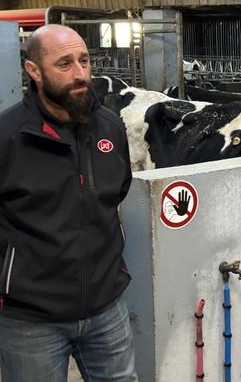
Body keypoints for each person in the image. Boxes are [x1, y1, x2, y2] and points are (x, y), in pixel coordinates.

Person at [0, 25, 138, 381]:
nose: (80, 74)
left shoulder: (110, 128)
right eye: (64, 64)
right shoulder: (9, 138)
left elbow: (118, 190)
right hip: (31, 320)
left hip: (106, 310)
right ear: (34, 71)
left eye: (84, 60)